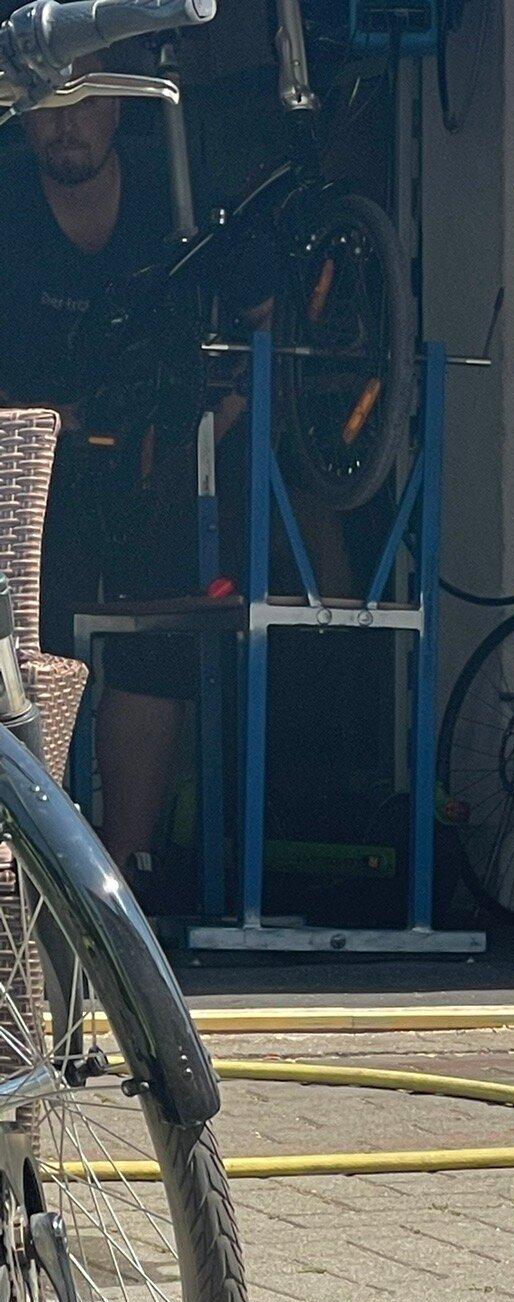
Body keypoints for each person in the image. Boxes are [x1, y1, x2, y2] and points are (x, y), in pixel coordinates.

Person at [0, 84, 269, 889]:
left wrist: (217, 420)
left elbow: (265, 316)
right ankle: (35, 878)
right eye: (47, 104)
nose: (66, 123)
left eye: (85, 104)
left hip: (160, 459)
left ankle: (116, 878)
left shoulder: (174, 191)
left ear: (119, 108)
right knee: (30, 655)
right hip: (32, 462)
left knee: (157, 647)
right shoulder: (8, 201)